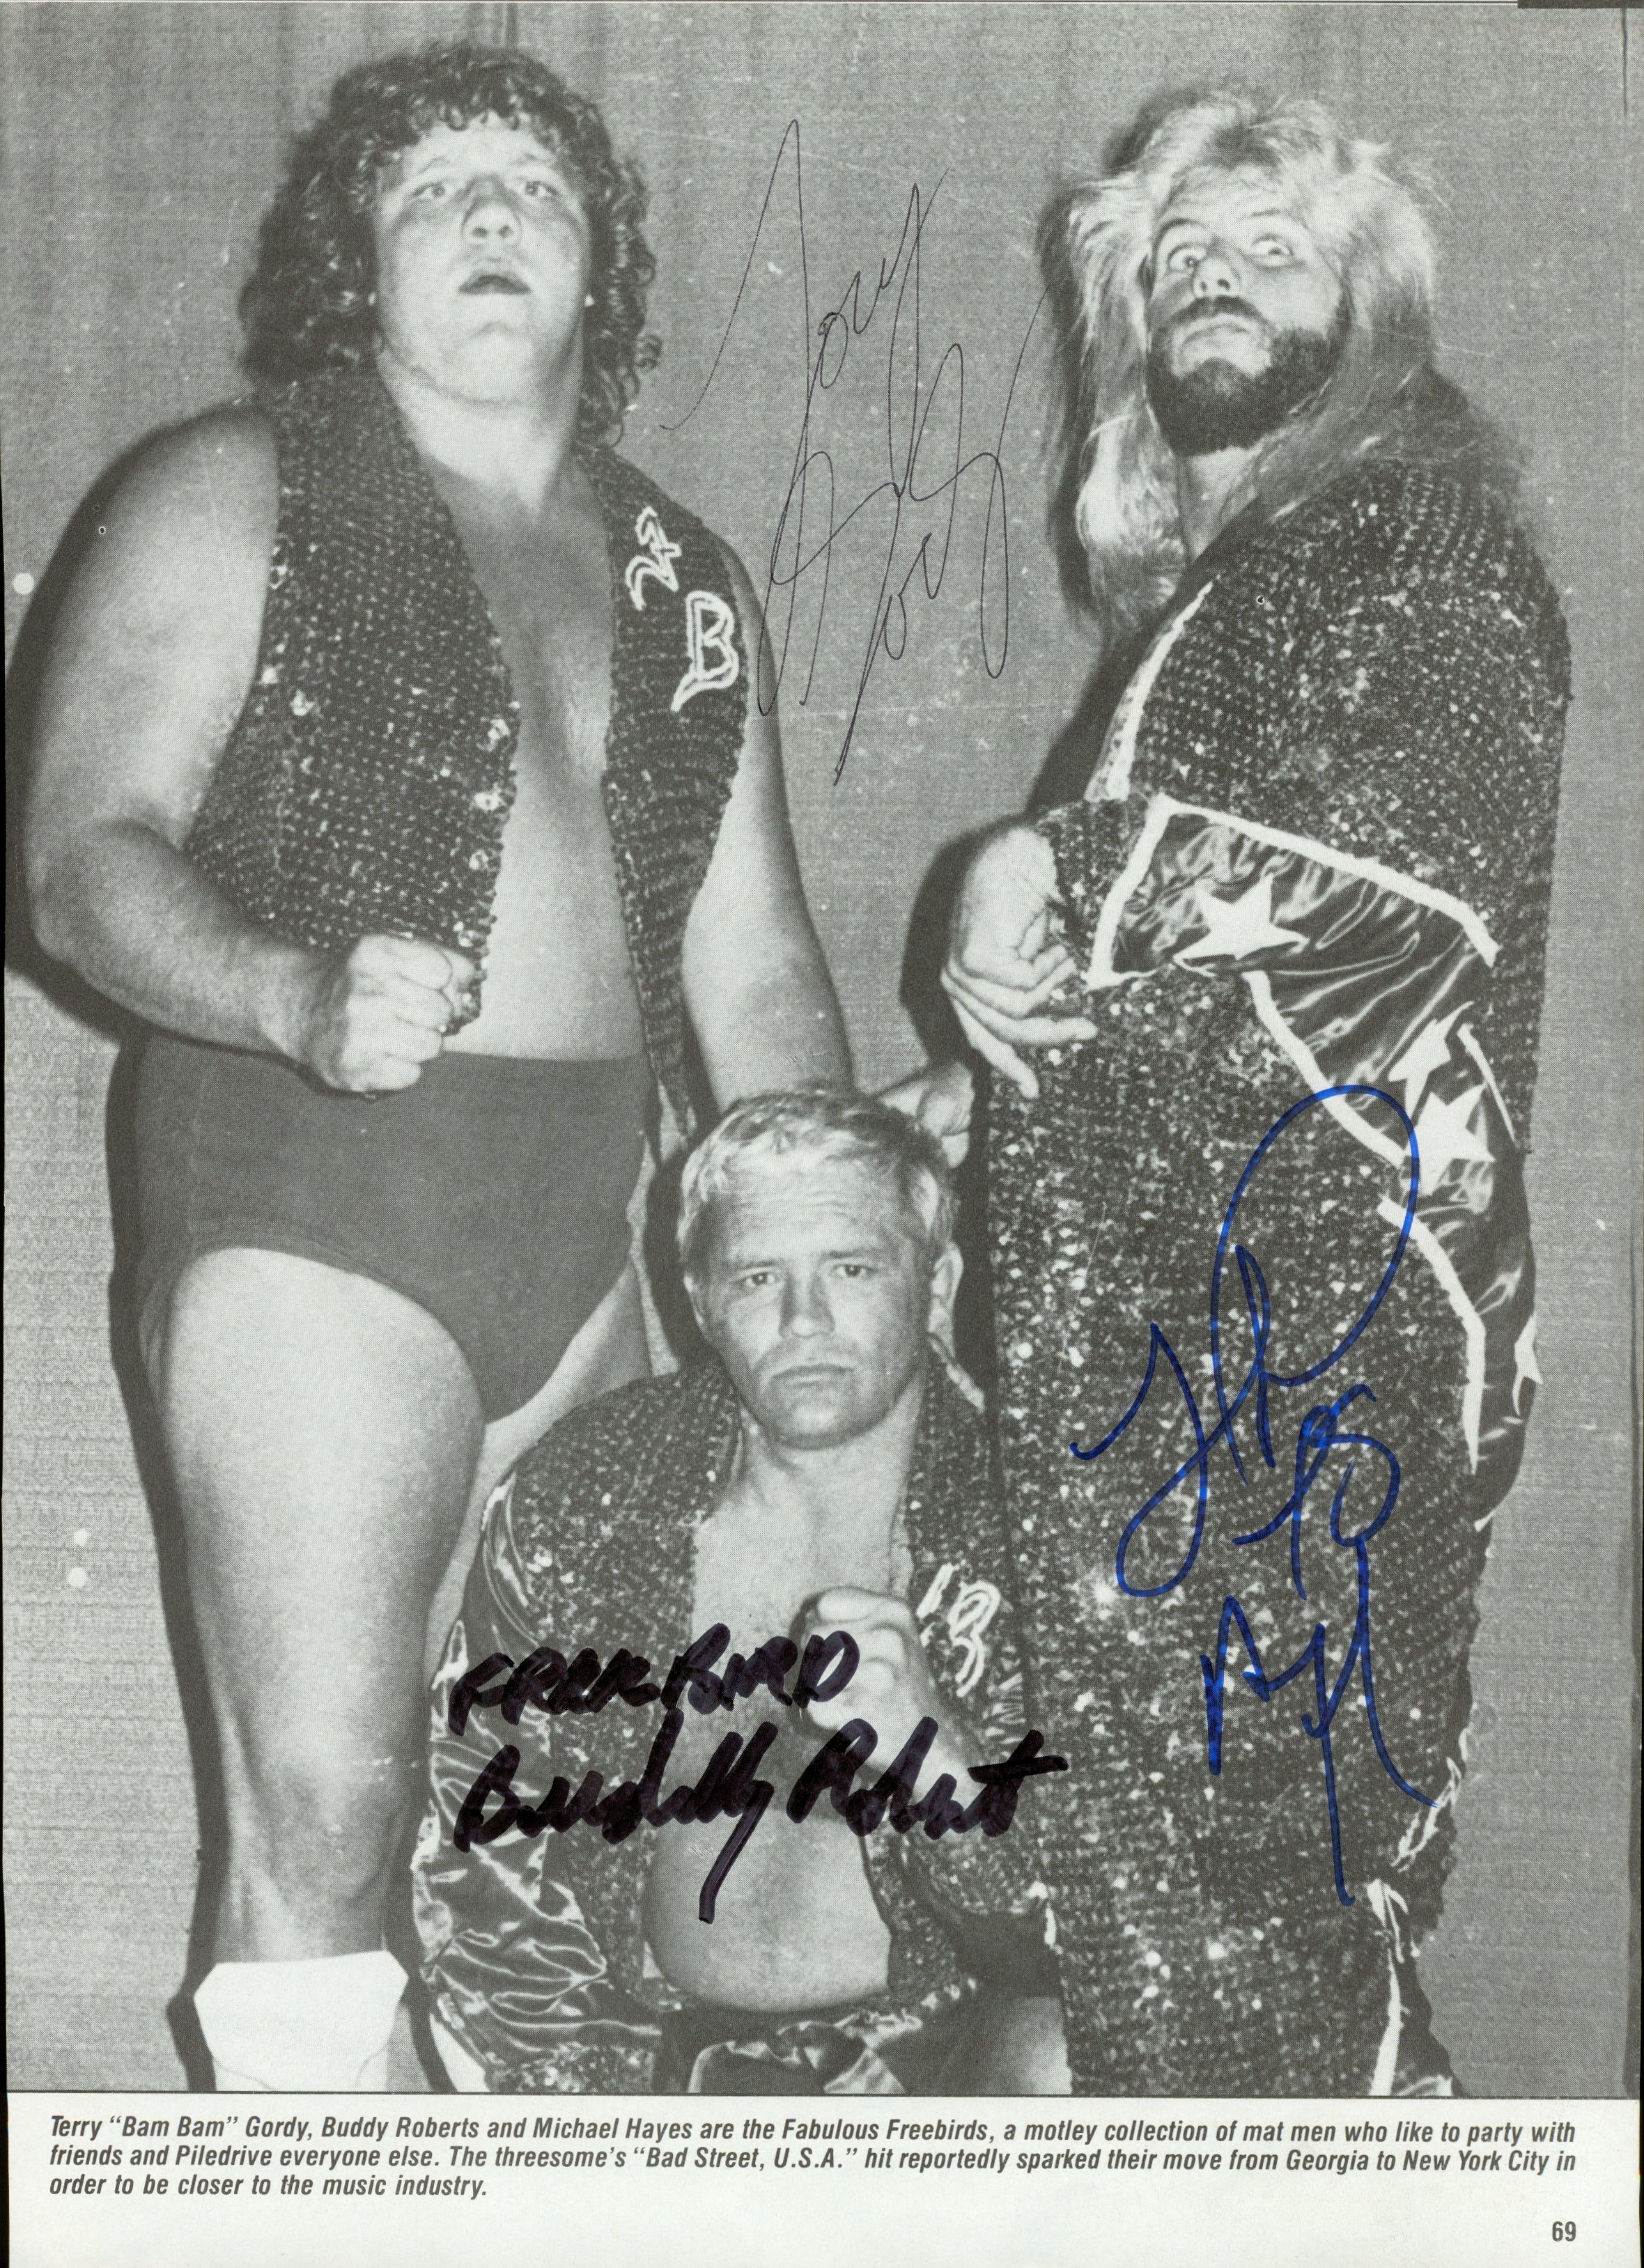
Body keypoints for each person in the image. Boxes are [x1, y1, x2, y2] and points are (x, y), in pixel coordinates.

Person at [22, 42, 849, 2092]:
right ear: (357, 261)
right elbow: (77, 856)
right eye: (434, 188)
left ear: (599, 266)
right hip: (317, 1180)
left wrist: (829, 1217)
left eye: (535, 187)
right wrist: (291, 989)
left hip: (597, 1231)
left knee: (577, 1859)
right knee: (327, 1796)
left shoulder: (686, 577)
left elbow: (757, 966)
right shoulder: (229, 484)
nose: (491, 214)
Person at [941, 93, 1569, 2094]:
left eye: (1270, 250)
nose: (1212, 281)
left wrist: (1049, 864)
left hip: (1326, 1341)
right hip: (1186, 1350)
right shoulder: (1252, 582)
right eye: (1178, 262)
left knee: (1261, 1925)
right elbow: (1190, 1013)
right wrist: (958, 1097)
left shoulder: (1416, 534)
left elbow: (1411, 891)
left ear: (1370, 311)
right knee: (1180, 1954)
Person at [414, 1090, 1067, 2094]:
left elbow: (1093, 1944)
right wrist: (582, 2110)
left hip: (947, 2072)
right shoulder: (590, 1490)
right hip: (656, 2073)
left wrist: (939, 1763)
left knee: (1057, 2056)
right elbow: (484, 1843)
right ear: (701, 1300)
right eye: (759, 1277)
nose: (805, 1321)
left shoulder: (1037, 1524)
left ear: (937, 1283)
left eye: (851, 1268)